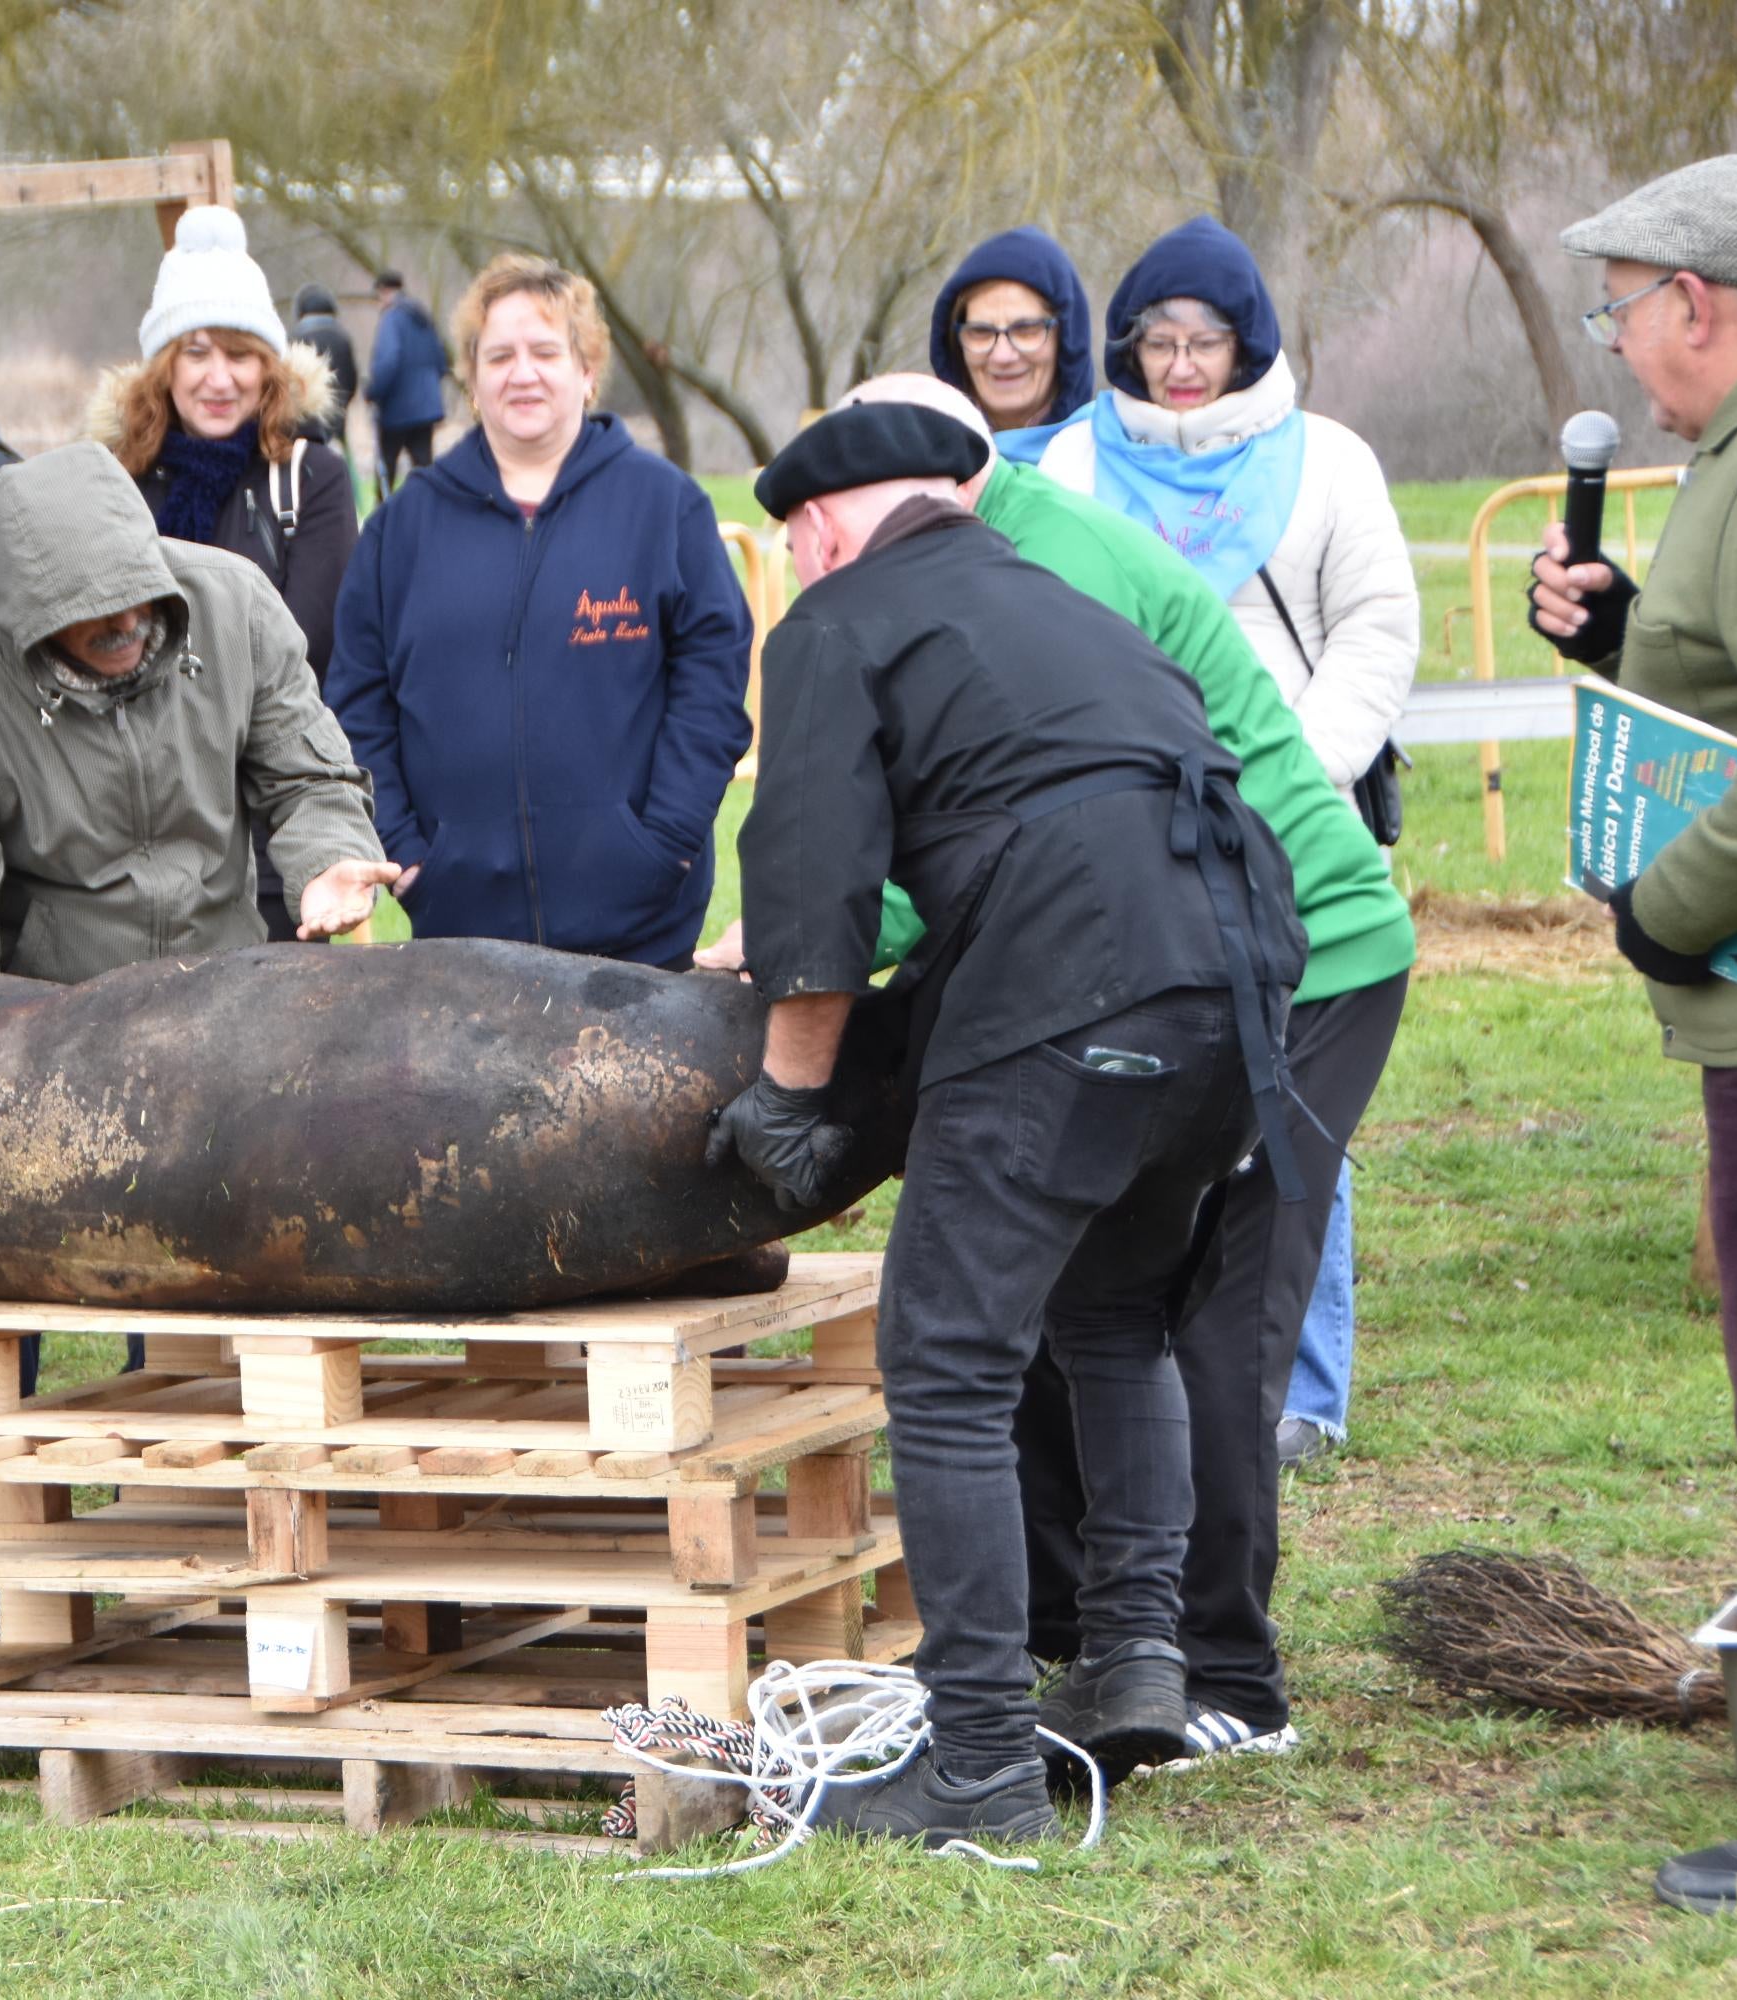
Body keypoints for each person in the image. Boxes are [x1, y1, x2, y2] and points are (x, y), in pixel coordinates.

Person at [714, 401, 1305, 1845]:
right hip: (1235, 983)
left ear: (819, 531)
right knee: (1116, 1323)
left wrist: (792, 1098)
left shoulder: (837, 619)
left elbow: (811, 878)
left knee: (951, 1355)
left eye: (798, 543)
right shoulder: (1063, 604)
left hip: (1075, 976)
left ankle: (977, 1759)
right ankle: (1136, 1662)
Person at [832, 373, 1416, 1775]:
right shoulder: (987, 544)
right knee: (1085, 1297)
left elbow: (1036, 810)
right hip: (1167, 948)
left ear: (951, 478)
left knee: (1209, 1316)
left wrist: (845, 941)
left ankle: (1230, 1678)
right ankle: (1096, 1640)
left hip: (1298, 949)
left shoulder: (1045, 557)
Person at [0, 439, 395, 1619]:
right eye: (86, 617)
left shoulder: (235, 600)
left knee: (231, 1292)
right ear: (21, 618)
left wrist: (326, 872)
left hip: (227, 1009)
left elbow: (310, 778)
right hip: (47, 1028)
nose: (120, 623)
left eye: (132, 601)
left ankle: (226, 1543)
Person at [1037, 215, 1419, 1469]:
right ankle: (1154, 1352)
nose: (1183, 365)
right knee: (1167, 1087)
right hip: (1137, 829)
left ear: (1247, 343)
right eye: (1158, 340)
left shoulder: (1326, 462)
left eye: (1206, 341)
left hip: (1297, 819)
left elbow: (1373, 629)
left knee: (1300, 1098)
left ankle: (1300, 1384)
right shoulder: (1078, 470)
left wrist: (1289, 774)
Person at [1528, 153, 1737, 1918]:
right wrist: (1617, 641)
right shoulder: (1723, 471)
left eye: (1622, 310)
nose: (1620, 347)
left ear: (1698, 299)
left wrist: (1661, 907)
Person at [325, 253, 752, 970]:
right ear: (470, 376)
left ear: (587, 371)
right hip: (462, 936)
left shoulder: (664, 506)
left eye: (546, 352)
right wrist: (409, 854)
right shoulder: (403, 528)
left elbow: (712, 685)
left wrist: (667, 840)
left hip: (639, 934)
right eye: (500, 356)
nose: (523, 372)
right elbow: (357, 700)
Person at [93, 206, 358, 937]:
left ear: (268, 366)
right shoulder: (115, 482)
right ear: (163, 365)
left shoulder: (308, 479)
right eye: (196, 351)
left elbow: (305, 646)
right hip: (134, 838)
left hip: (272, 835)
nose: (218, 378)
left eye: (239, 354)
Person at [926, 226, 1095, 460]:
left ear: (1066, 340)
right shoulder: (920, 464)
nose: (1002, 356)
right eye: (981, 331)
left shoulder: (1112, 463)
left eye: (1025, 330)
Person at [366, 269, 446, 491]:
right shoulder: (423, 317)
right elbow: (441, 362)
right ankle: (430, 515)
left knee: (386, 468)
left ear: (383, 292)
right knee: (423, 466)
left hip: (396, 410)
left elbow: (388, 362)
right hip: (426, 408)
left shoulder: (391, 319)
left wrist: (373, 392)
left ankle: (384, 519)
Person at [291, 281, 361, 486]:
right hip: (338, 414)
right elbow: (352, 377)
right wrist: (343, 403)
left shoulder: (296, 337)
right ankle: (353, 503)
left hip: (305, 417)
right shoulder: (342, 336)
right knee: (343, 462)